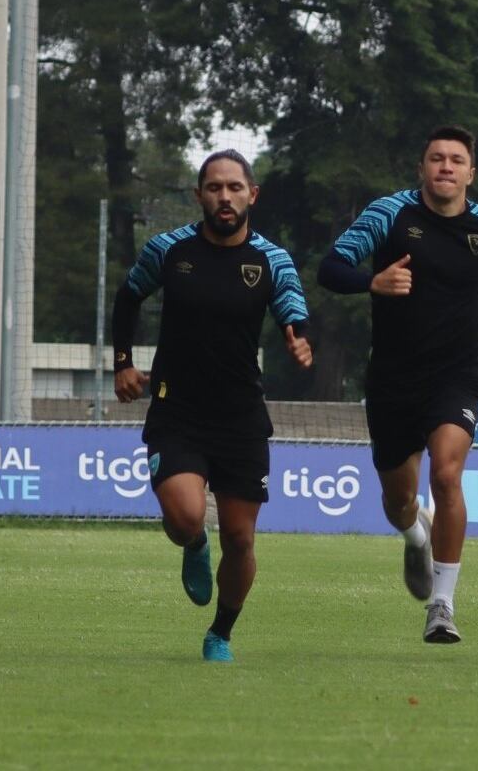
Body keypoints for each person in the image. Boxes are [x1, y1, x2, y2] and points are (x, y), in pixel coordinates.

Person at [318, 126, 478, 644]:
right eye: (437, 158)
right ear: (421, 169)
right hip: (392, 378)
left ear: (470, 173)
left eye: (457, 160)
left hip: (457, 375)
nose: (446, 167)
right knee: (399, 498)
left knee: (449, 475)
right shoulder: (388, 214)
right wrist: (373, 281)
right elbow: (330, 267)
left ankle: (442, 604)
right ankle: (415, 534)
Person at [112, 151, 311, 663]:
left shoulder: (273, 259)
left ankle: (221, 631)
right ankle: (194, 544)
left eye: (235, 188)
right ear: (200, 195)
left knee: (242, 540)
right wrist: (123, 363)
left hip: (241, 416)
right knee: (184, 519)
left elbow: (291, 305)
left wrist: (298, 336)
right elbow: (129, 296)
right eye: (215, 188)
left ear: (252, 195)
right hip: (176, 409)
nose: (225, 197)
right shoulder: (169, 250)